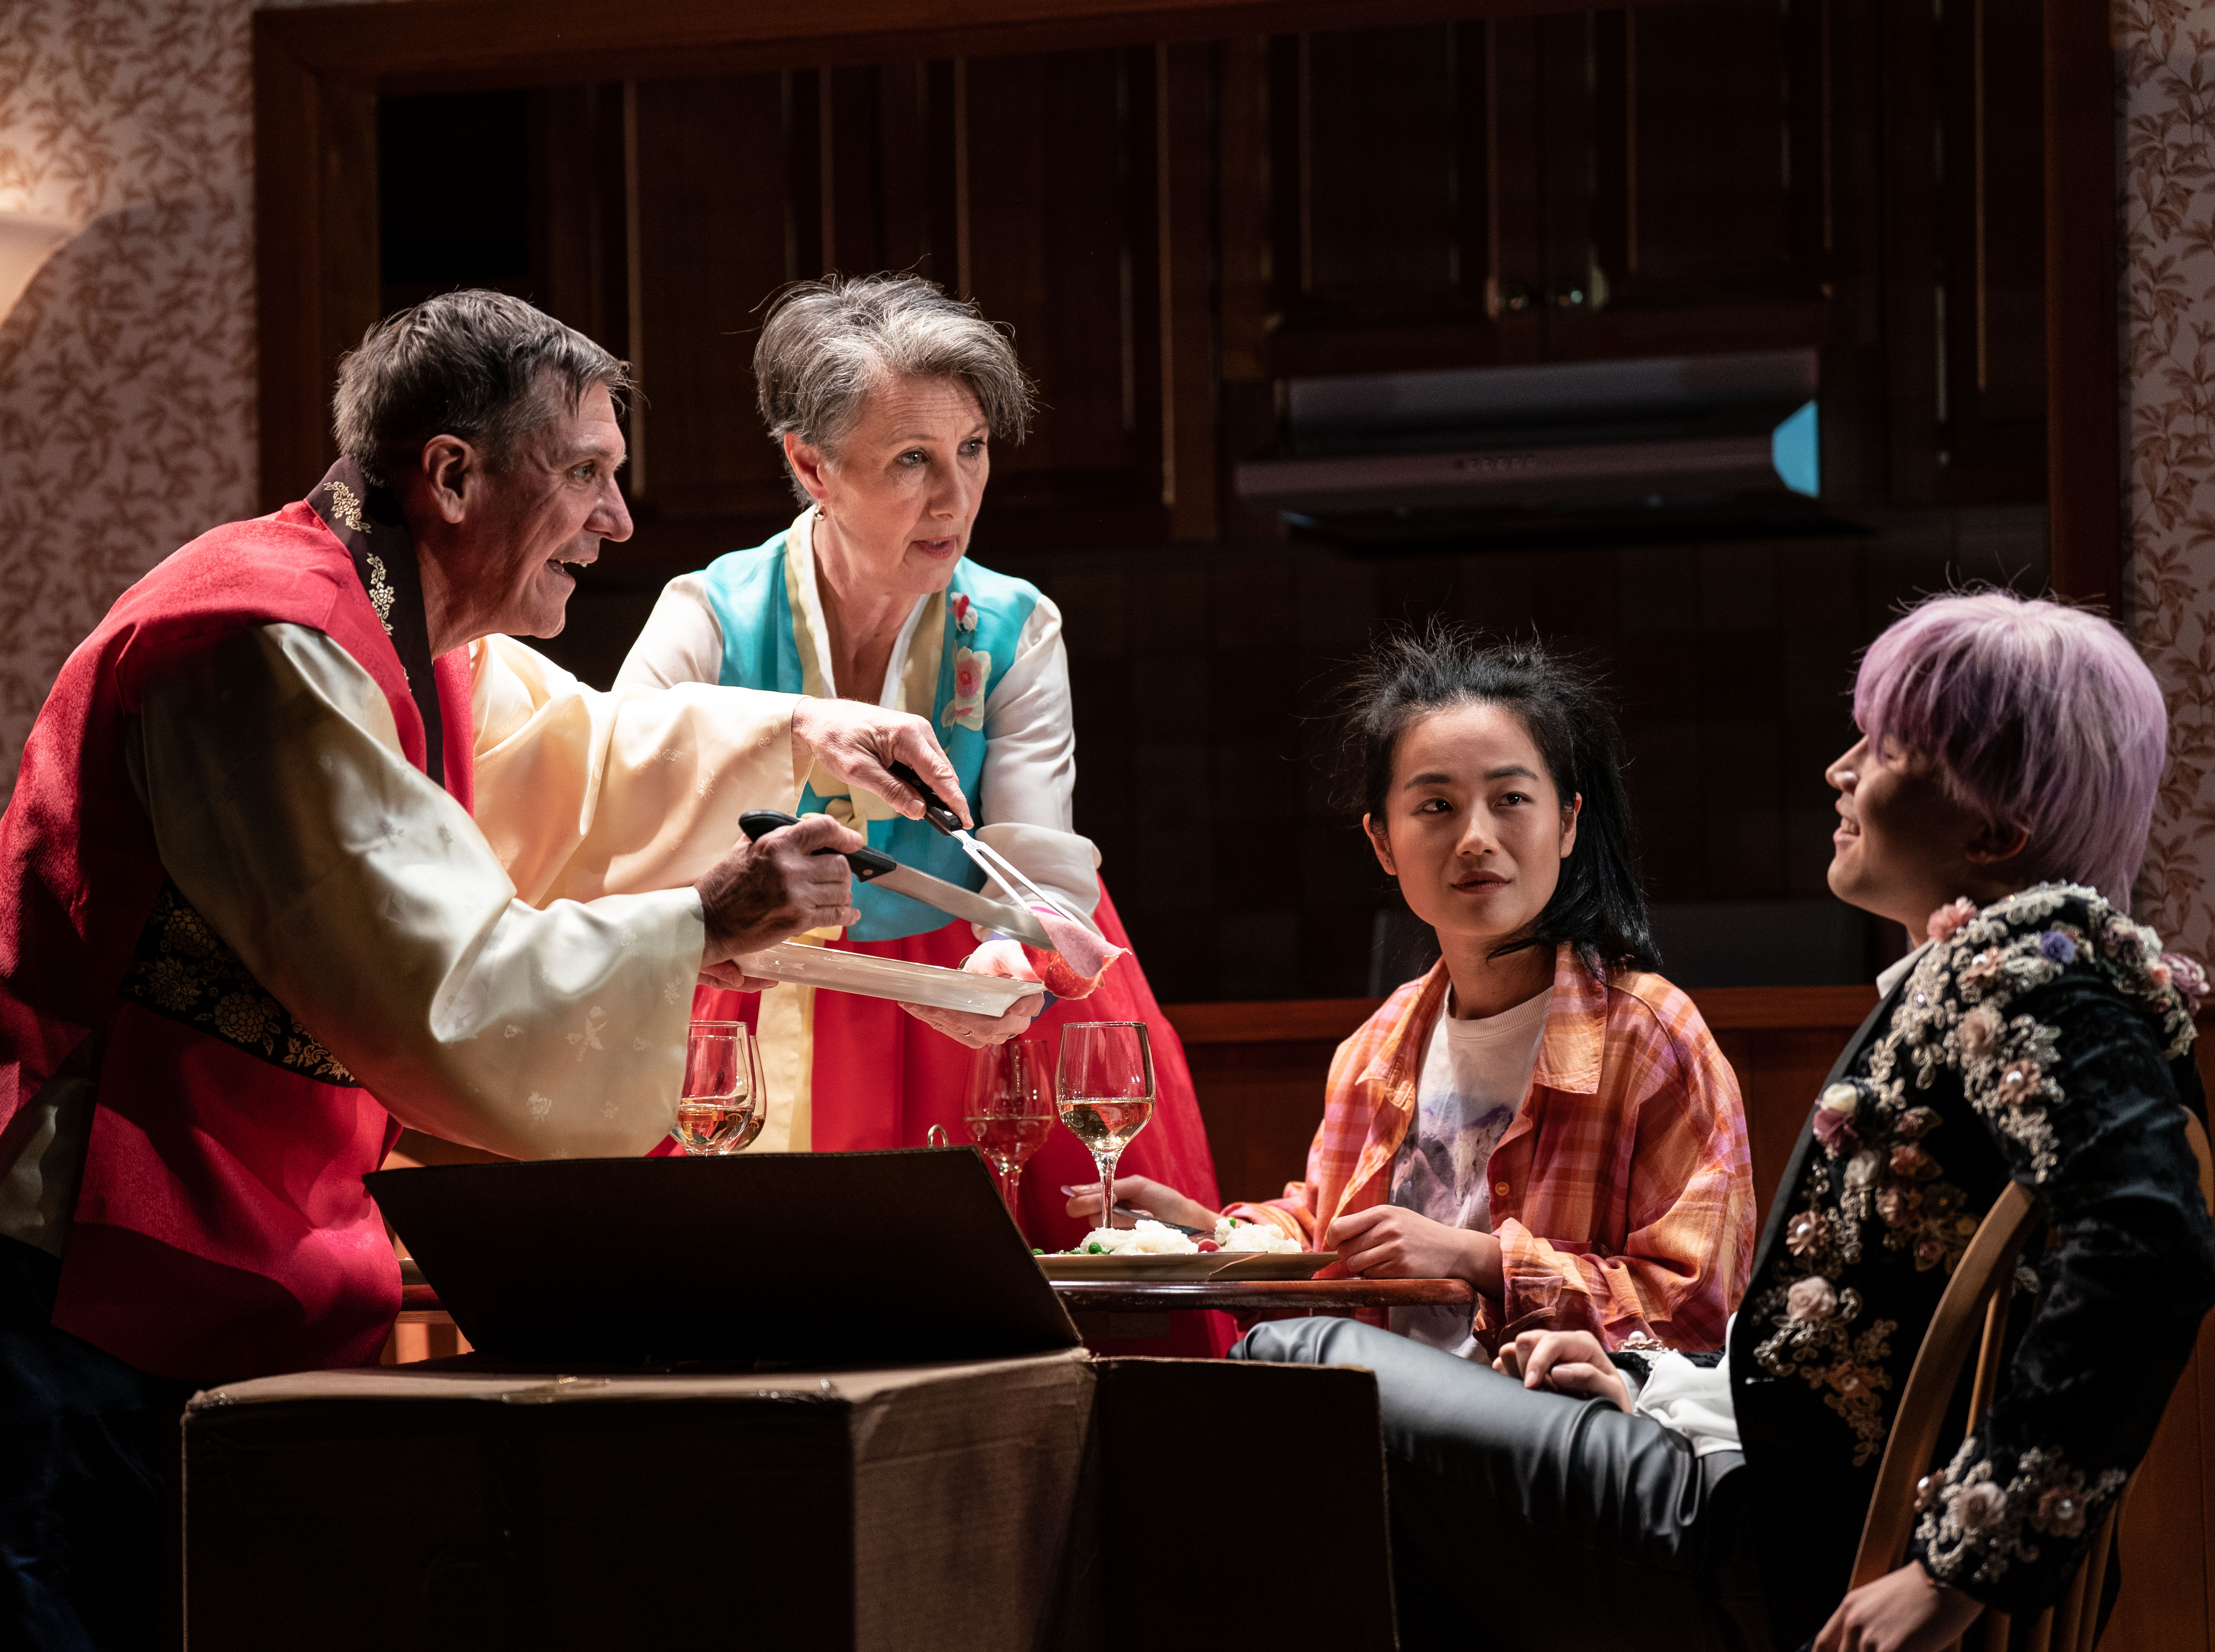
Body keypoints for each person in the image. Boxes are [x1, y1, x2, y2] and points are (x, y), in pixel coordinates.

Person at [0, 290, 975, 1648]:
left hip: (175, 1258)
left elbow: (593, 775)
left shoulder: (409, 643)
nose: (617, 522)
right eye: (591, 474)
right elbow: (438, 987)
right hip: (40, 1274)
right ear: (451, 474)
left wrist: (816, 734)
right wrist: (703, 923)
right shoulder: (264, 643)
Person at [1238, 592, 2215, 1652]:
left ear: (1997, 826)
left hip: (1778, 1545)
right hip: (1748, 1481)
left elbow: (2153, 1241)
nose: (1840, 770)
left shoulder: (2033, 975)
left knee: (1297, 1360)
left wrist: (1964, 1562)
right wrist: (1642, 1382)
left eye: (1886, 747)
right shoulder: (1995, 976)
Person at [613, 272, 1222, 1261]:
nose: (956, 496)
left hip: (975, 970)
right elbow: (615, 776)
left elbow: (1039, 857)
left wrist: (1015, 961)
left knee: (1048, 1285)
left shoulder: (1015, 627)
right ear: (812, 466)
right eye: (911, 460)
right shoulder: (712, 612)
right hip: (766, 969)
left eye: (971, 449)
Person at [1075, 623, 1754, 1356]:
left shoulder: (1651, 1037)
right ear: (1382, 843)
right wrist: (1204, 1233)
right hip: (1391, 1429)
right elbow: (1328, 1234)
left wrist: (1479, 1258)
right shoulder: (1378, 1044)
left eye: (1512, 799)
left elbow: (1705, 1311)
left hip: (1556, 1436)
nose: (1475, 837)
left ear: (1567, 823)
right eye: (1436, 807)